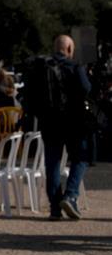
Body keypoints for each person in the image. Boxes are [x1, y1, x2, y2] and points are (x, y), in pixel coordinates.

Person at [40, 35, 93, 221]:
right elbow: (87, 89)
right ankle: (71, 195)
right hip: (73, 122)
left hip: (49, 123)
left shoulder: (42, 68)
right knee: (80, 158)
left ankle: (55, 208)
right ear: (69, 50)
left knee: (52, 164)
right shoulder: (74, 67)